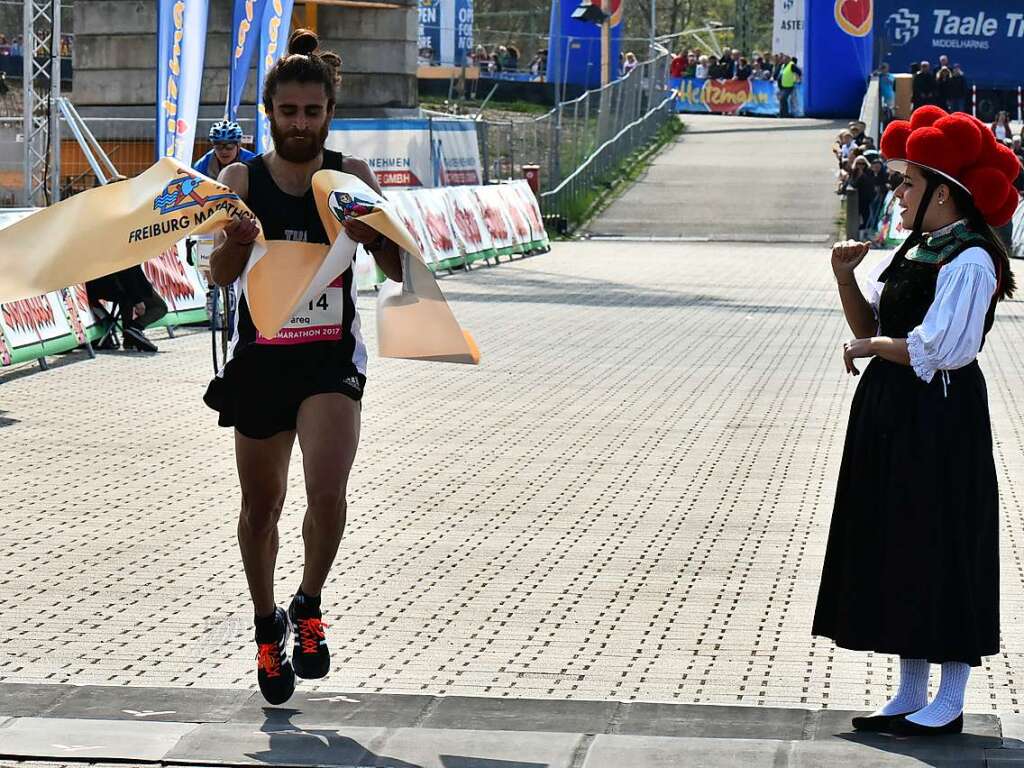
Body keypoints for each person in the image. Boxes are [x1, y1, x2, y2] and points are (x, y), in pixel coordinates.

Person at [204, 28, 403, 706]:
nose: (300, 124)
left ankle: (309, 603)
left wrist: (376, 235)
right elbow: (221, 277)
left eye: (312, 113)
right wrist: (235, 242)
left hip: (328, 360)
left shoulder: (352, 178)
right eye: (288, 113)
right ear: (271, 114)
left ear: (328, 114)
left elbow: (400, 267)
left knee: (326, 491)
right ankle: (267, 624)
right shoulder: (242, 180)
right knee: (261, 509)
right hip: (262, 359)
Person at [814, 105, 1019, 736]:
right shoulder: (920, 248)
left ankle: (950, 698)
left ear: (943, 194)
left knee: (944, 541)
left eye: (907, 182)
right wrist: (846, 279)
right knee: (899, 540)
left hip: (941, 414)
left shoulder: (972, 258)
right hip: (898, 411)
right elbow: (873, 324)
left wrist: (872, 349)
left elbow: (941, 348)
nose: (897, 192)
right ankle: (909, 691)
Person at [86, 265, 168, 352]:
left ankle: (130, 337)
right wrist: (138, 300)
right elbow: (126, 269)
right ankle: (134, 330)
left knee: (126, 298)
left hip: (97, 282)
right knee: (160, 307)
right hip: (117, 282)